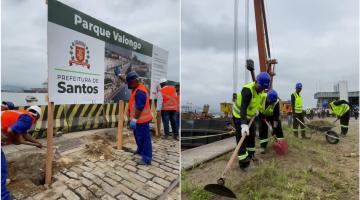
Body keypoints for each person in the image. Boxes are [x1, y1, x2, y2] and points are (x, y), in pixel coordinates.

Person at [1, 105, 43, 200]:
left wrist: (37, 143)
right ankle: (4, 197)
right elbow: (11, 130)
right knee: (1, 170)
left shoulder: (21, 114)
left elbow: (24, 134)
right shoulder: (28, 119)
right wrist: (16, 139)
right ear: (37, 118)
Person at [232, 72, 271, 171]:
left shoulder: (261, 92)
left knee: (251, 136)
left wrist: (256, 110)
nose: (261, 89)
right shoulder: (247, 90)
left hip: (250, 117)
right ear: (256, 81)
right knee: (242, 139)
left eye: (263, 88)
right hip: (239, 116)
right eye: (260, 87)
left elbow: (256, 102)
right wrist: (244, 124)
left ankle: (250, 156)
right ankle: (244, 164)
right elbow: (243, 109)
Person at [126, 71, 153, 165]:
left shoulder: (140, 92)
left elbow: (140, 107)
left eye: (129, 83)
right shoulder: (136, 86)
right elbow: (127, 82)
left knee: (145, 138)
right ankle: (140, 150)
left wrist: (134, 119)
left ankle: (146, 158)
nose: (128, 85)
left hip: (141, 120)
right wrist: (120, 76)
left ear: (134, 81)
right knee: (138, 137)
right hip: (138, 120)